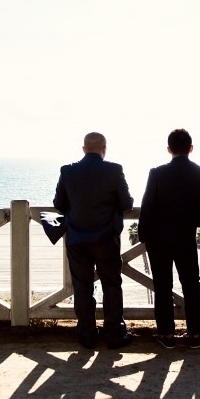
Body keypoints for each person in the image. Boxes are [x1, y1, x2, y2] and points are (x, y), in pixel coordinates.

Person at [137, 128, 200, 350]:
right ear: (191, 148)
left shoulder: (156, 173)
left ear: (168, 149)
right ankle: (197, 334)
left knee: (163, 287)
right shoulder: (199, 172)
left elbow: (147, 206)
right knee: (191, 285)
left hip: (158, 238)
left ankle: (166, 335)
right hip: (184, 237)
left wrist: (142, 235)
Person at [53, 132, 134, 350]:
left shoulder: (67, 171)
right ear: (104, 149)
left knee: (82, 287)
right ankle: (115, 334)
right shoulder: (114, 170)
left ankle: (87, 335)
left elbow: (59, 203)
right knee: (112, 285)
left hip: (77, 239)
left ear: (83, 149)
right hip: (106, 239)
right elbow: (126, 204)